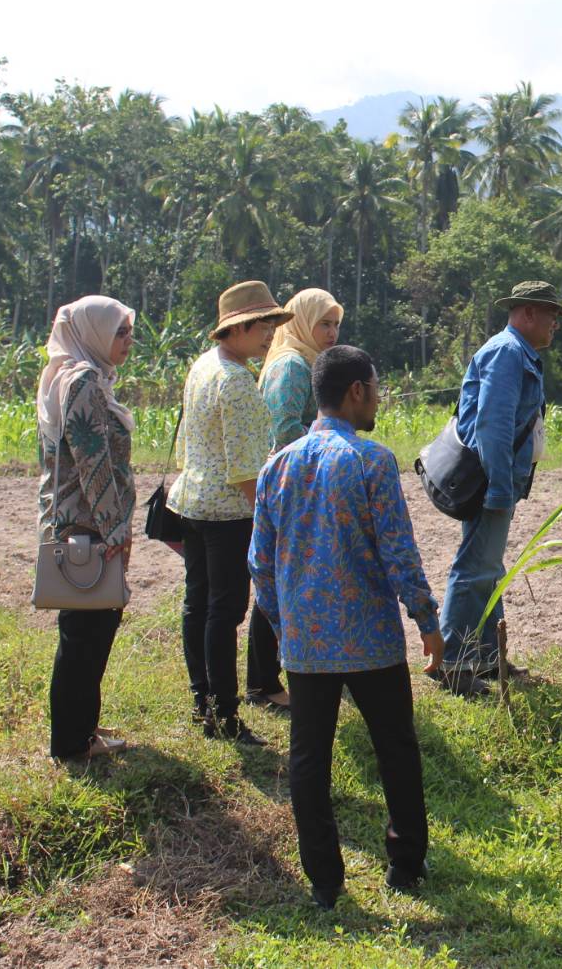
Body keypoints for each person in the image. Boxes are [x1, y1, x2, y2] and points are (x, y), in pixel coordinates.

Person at [249, 345, 444, 908]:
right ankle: (406, 865)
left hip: (307, 645)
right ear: (356, 391)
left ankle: (325, 883)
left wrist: (285, 627)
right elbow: (399, 554)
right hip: (371, 642)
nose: (378, 398)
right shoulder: (371, 461)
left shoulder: (277, 466)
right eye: (376, 387)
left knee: (309, 760)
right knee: (396, 750)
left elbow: (260, 563)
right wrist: (427, 622)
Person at [168, 280, 291, 746]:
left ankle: (204, 702)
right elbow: (245, 471)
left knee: (198, 604)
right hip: (226, 512)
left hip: (193, 503)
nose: (269, 334)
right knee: (225, 610)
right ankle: (223, 713)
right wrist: (267, 521)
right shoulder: (237, 381)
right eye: (262, 325)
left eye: (273, 325)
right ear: (236, 328)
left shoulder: (206, 365)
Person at [436, 280, 562, 694]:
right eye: (551, 315)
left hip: (498, 480)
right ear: (527, 312)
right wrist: (497, 489)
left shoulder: (515, 352)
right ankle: (452, 664)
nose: (555, 325)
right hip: (490, 481)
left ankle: (490, 657)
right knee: (475, 570)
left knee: (488, 569)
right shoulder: (507, 354)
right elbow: (493, 425)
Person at [36, 295, 138, 763]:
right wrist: (116, 531)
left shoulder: (80, 375)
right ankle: (73, 743)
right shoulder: (82, 382)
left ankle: (82, 727)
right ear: (92, 333)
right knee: (86, 636)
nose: (127, 341)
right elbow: (91, 461)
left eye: (128, 331)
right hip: (90, 530)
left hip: (85, 525)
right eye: (118, 332)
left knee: (88, 632)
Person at [245, 287, 344, 713]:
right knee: (279, 583)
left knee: (286, 581)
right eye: (324, 323)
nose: (332, 332)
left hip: (301, 484)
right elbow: (284, 428)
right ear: (303, 322)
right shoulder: (292, 366)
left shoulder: (306, 363)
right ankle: (263, 683)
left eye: (336, 324)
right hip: (292, 488)